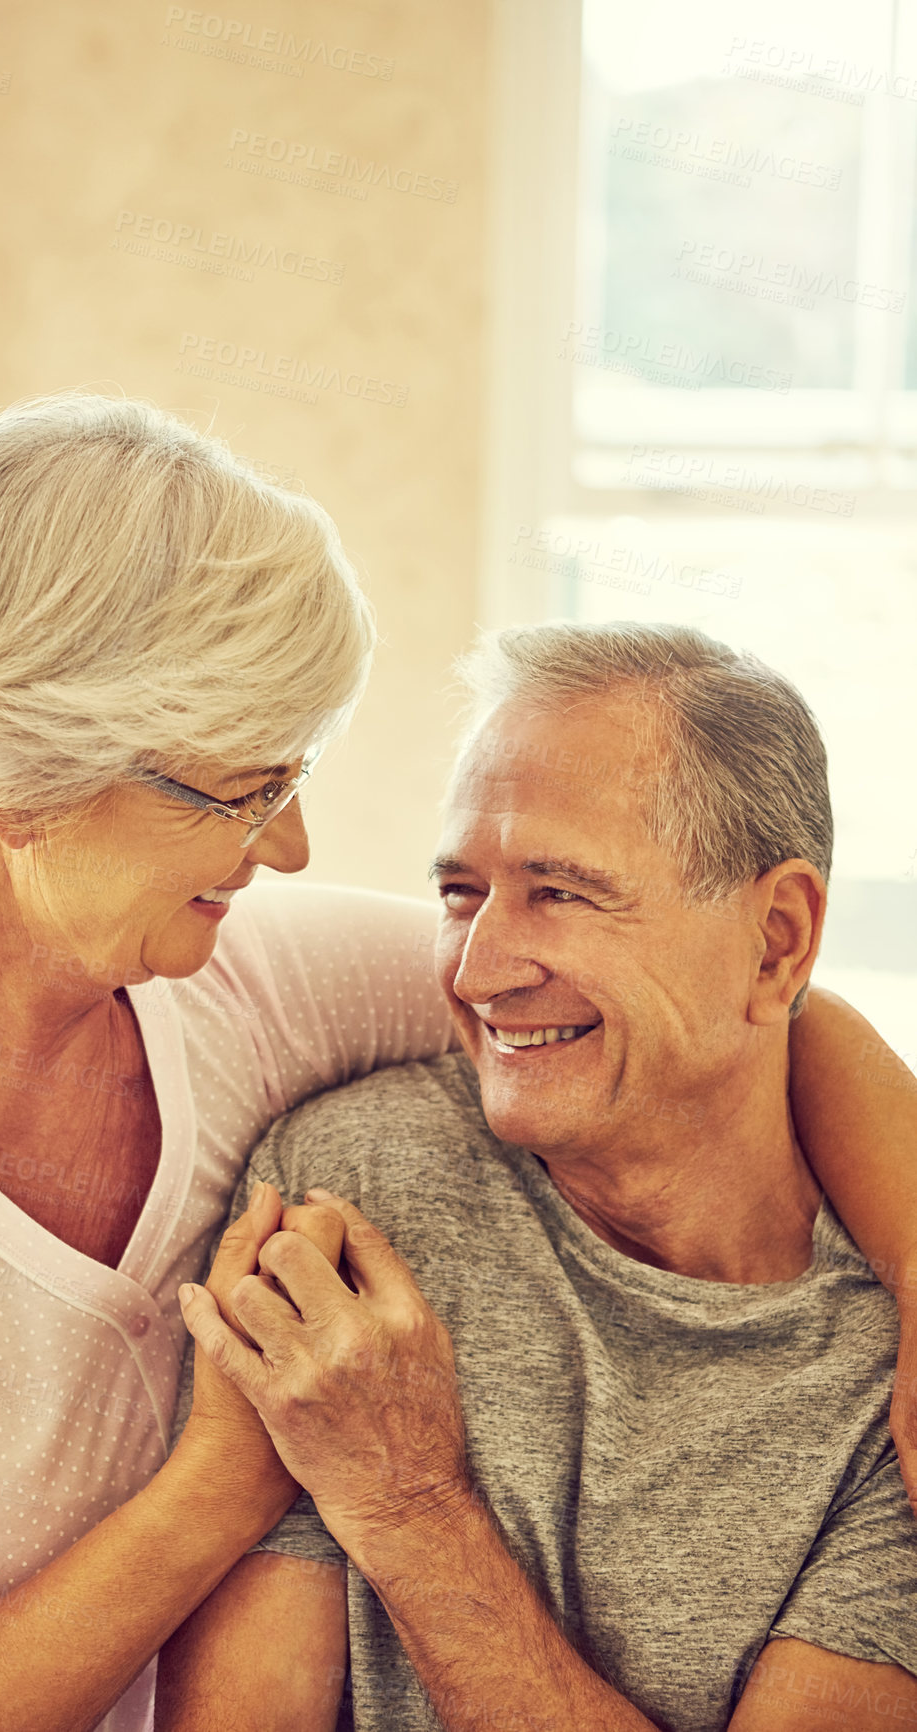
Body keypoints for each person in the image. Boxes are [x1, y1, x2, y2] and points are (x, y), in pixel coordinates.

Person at [0, 395, 908, 1732]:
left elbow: (717, 1016)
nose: (293, 846)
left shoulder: (265, 980)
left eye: (292, 775)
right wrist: (236, 1475)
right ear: (22, 779)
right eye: (240, 790)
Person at [160, 623, 917, 1732]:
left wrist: (410, 1505)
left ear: (774, 943)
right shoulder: (351, 1184)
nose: (477, 972)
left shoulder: (882, 1387)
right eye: (461, 892)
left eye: (559, 892)